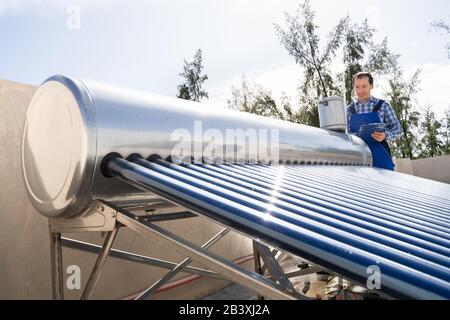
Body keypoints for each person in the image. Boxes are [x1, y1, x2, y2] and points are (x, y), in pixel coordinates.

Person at [347, 72, 403, 170]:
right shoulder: (348, 110)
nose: (360, 90)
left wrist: (386, 135)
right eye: (357, 87)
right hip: (357, 157)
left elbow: (398, 129)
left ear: (371, 86)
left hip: (381, 155)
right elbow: (344, 134)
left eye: (364, 86)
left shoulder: (383, 106)